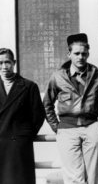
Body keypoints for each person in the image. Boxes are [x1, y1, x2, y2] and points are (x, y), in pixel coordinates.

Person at [43, 33, 98, 184]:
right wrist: (57, 127)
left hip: (91, 127)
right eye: (76, 53)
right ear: (69, 54)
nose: (80, 57)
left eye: (84, 53)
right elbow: (47, 104)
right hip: (67, 130)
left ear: (88, 54)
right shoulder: (58, 76)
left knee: (91, 176)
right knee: (74, 178)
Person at [0, 48, 45, 184]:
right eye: (0, 63)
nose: (3, 66)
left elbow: (38, 115)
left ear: (14, 63)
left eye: (7, 62)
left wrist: (25, 134)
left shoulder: (29, 86)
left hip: (19, 145)